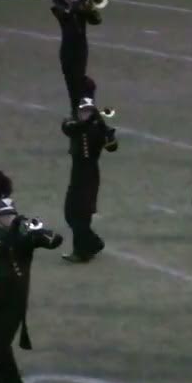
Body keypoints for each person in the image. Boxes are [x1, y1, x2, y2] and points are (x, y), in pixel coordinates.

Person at [0, 172, 63, 383]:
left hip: (15, 299)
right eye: (4, 215)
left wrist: (36, 232)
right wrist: (17, 232)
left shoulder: (24, 228)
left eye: (11, 215)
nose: (8, 218)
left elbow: (55, 239)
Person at [61, 95, 117, 263]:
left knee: (81, 214)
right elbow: (67, 127)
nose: (84, 114)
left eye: (88, 111)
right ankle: (93, 242)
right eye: (82, 111)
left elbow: (112, 147)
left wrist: (108, 134)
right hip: (77, 172)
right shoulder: (77, 125)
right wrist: (92, 122)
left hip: (89, 173)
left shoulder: (97, 130)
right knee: (70, 213)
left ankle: (82, 251)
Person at [45, 0, 101, 112]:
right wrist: (79, 1)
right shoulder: (58, 6)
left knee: (78, 85)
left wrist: (84, 2)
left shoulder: (65, 0)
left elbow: (95, 19)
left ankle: (84, 113)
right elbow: (69, 13)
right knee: (76, 86)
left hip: (75, 48)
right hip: (73, 49)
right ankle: (81, 113)